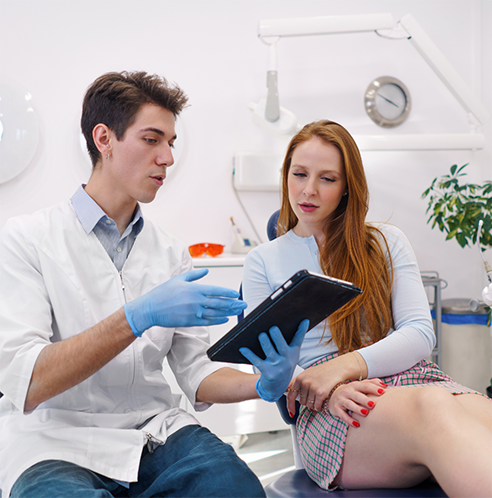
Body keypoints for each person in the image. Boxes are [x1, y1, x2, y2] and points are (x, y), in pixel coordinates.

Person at [0, 71, 308, 498]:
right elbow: (29, 382)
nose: (167, 157)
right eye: (151, 139)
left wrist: (262, 384)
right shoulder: (26, 239)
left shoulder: (170, 254)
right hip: (54, 441)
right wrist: (137, 316)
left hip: (154, 432)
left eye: (171, 143)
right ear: (104, 139)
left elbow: (197, 373)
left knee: (236, 488)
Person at [242, 120, 492, 497]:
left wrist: (342, 366)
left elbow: (420, 334)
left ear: (346, 188)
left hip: (416, 379)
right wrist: (325, 388)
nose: (308, 190)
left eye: (327, 179)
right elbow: (272, 361)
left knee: (455, 408)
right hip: (334, 406)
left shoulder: (385, 242)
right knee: (433, 407)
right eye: (299, 174)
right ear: (286, 175)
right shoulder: (262, 260)